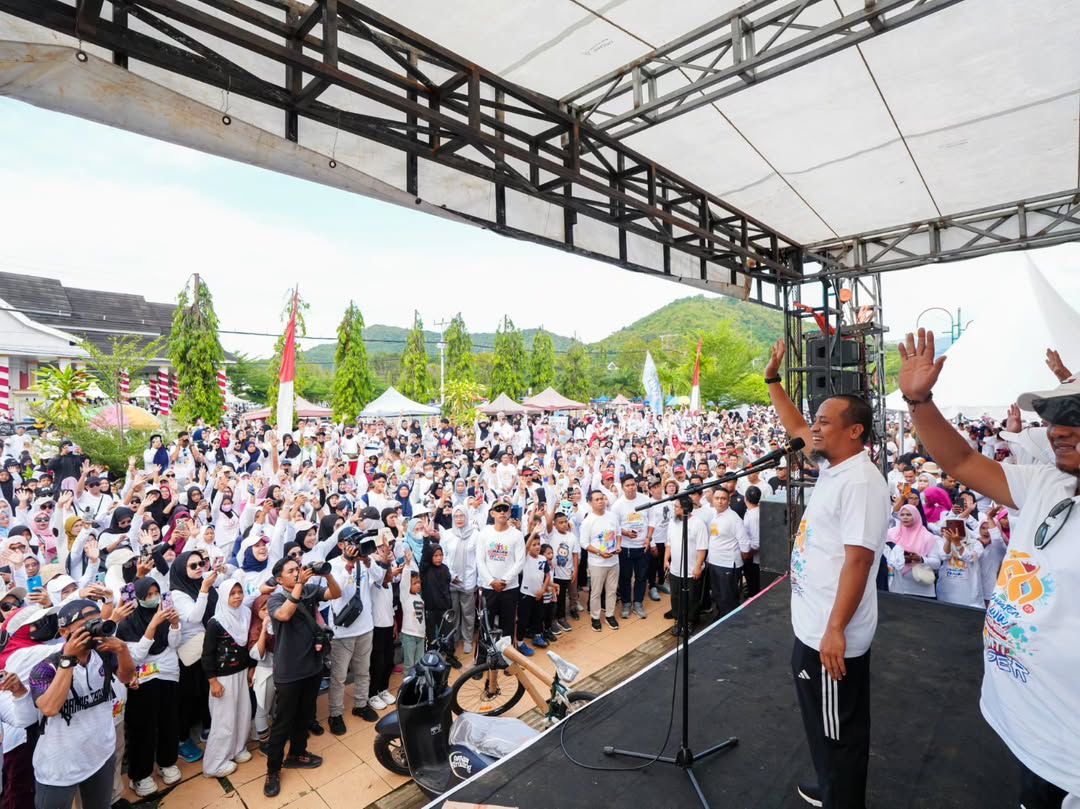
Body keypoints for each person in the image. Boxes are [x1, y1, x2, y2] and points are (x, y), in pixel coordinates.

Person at [898, 328, 1079, 807]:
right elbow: (959, 459)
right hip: (1028, 726)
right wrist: (919, 401)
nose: (1056, 429)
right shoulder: (1046, 483)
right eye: (1053, 417)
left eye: (1074, 417)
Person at [765, 339, 890, 809]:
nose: (813, 428)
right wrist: (773, 380)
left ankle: (842, 797)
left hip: (831, 638)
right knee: (824, 727)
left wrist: (835, 629)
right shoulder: (837, 467)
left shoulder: (860, 482)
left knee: (839, 733)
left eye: (824, 422)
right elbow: (795, 425)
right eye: (815, 420)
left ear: (855, 431)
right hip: (815, 627)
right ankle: (830, 783)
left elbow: (859, 561)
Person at [29, 599, 136, 809]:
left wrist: (122, 650)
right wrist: (68, 658)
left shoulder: (103, 653)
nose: (93, 632)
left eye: (97, 623)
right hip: (59, 767)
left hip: (100, 754)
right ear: (63, 632)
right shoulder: (45, 668)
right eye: (85, 626)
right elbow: (50, 708)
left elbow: (126, 676)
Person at [262, 557, 341, 798]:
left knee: (305, 715)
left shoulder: (309, 589)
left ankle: (297, 753)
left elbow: (335, 593)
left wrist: (326, 574)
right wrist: (299, 586)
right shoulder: (275, 598)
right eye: (291, 571)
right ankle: (273, 770)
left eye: (299, 569)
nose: (298, 573)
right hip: (289, 670)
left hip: (312, 666)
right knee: (283, 722)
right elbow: (284, 615)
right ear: (279, 578)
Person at [116, 577, 182, 796]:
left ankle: (167, 762)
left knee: (169, 721)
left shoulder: (165, 613)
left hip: (168, 674)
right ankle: (140, 774)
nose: (153, 598)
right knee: (143, 727)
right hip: (142, 680)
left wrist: (173, 624)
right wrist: (153, 625)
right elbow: (134, 658)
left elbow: (174, 644)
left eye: (156, 593)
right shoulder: (128, 623)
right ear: (139, 597)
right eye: (148, 595)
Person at [326, 527, 385, 735]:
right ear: (341, 544)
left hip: (365, 627)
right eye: (350, 542)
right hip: (342, 632)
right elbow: (336, 592)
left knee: (363, 671)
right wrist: (349, 565)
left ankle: (360, 704)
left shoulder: (364, 561)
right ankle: (335, 714)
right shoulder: (332, 565)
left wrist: (368, 561)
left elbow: (380, 577)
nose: (354, 547)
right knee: (339, 677)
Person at [201, 577, 253, 778]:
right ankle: (214, 764)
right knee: (224, 721)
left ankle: (237, 750)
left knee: (242, 714)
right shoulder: (217, 622)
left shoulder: (245, 614)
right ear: (223, 596)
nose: (237, 597)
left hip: (241, 672)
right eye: (232, 593)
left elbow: (247, 645)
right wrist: (213, 681)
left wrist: (251, 667)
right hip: (223, 678)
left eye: (239, 592)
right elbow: (207, 654)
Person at [474, 501, 525, 643]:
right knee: (486, 625)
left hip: (509, 588)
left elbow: (520, 562)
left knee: (507, 626)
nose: (502, 512)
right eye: (498, 509)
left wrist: (504, 581)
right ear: (492, 513)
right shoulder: (485, 533)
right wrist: (491, 581)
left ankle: (505, 659)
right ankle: (483, 659)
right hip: (489, 588)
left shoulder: (517, 535)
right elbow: (480, 560)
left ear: (509, 513)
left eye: (505, 509)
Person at [664, 497, 708, 636]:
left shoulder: (698, 524)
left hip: (691, 569)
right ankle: (678, 620)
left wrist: (698, 566)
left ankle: (689, 621)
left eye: (677, 507)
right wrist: (666, 559)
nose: (675, 509)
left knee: (691, 597)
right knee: (675, 596)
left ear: (685, 508)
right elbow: (669, 543)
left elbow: (702, 548)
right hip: (675, 569)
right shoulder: (672, 522)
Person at [611, 475, 652, 620]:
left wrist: (648, 538)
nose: (631, 487)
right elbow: (615, 527)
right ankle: (626, 603)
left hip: (642, 546)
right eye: (627, 485)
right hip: (626, 547)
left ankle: (638, 602)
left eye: (633, 484)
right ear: (622, 487)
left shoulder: (646, 500)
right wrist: (626, 533)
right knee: (625, 577)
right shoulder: (617, 505)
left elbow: (652, 522)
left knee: (641, 577)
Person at [580, 489, 620, 632]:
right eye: (597, 499)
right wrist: (599, 552)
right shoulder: (588, 521)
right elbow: (584, 543)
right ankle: (595, 617)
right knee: (596, 592)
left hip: (614, 561)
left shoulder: (612, 516)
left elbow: (618, 533)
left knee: (612, 590)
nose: (600, 501)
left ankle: (610, 615)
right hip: (597, 562)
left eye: (602, 498)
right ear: (590, 503)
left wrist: (619, 546)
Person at [706, 488, 749, 618]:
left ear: (728, 501)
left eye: (723, 498)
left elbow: (745, 545)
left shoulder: (734, 519)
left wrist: (738, 560)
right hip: (713, 562)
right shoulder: (713, 514)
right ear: (712, 500)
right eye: (717, 498)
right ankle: (721, 618)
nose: (720, 501)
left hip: (728, 565)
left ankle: (729, 624)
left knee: (728, 598)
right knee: (717, 594)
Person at [742, 485, 762, 597]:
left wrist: (748, 555)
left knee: (754, 585)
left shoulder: (754, 515)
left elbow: (756, 542)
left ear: (745, 498)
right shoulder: (752, 511)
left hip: (753, 558)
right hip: (752, 555)